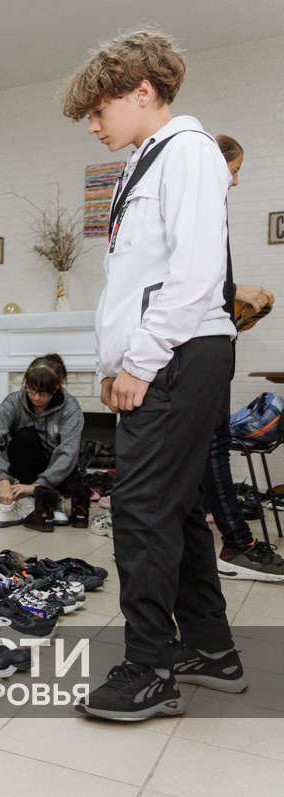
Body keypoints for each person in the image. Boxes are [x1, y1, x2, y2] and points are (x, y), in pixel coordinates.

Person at [63, 29, 244, 721]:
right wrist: (117, 362)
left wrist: (139, 362)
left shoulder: (188, 152)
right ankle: (211, 649)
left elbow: (195, 274)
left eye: (98, 108)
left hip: (180, 354)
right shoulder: (148, 160)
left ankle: (148, 671)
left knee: (139, 512)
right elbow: (138, 277)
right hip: (169, 355)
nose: (92, 123)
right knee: (176, 507)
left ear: (142, 92)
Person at [202, 134, 282, 580]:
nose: (235, 181)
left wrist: (235, 311)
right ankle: (236, 545)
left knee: (207, 448)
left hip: (214, 343)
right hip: (199, 353)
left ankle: (231, 543)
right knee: (212, 446)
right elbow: (178, 280)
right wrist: (237, 291)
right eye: (233, 171)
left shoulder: (213, 209)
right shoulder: (198, 208)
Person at [0, 354, 87, 530]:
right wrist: (1, 479)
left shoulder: (70, 408)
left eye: (43, 393)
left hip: (53, 471)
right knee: (26, 436)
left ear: (56, 387)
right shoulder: (13, 402)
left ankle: (50, 497)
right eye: (31, 390)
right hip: (22, 466)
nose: (36, 398)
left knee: (73, 467)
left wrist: (37, 486)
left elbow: (68, 452)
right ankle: (24, 497)